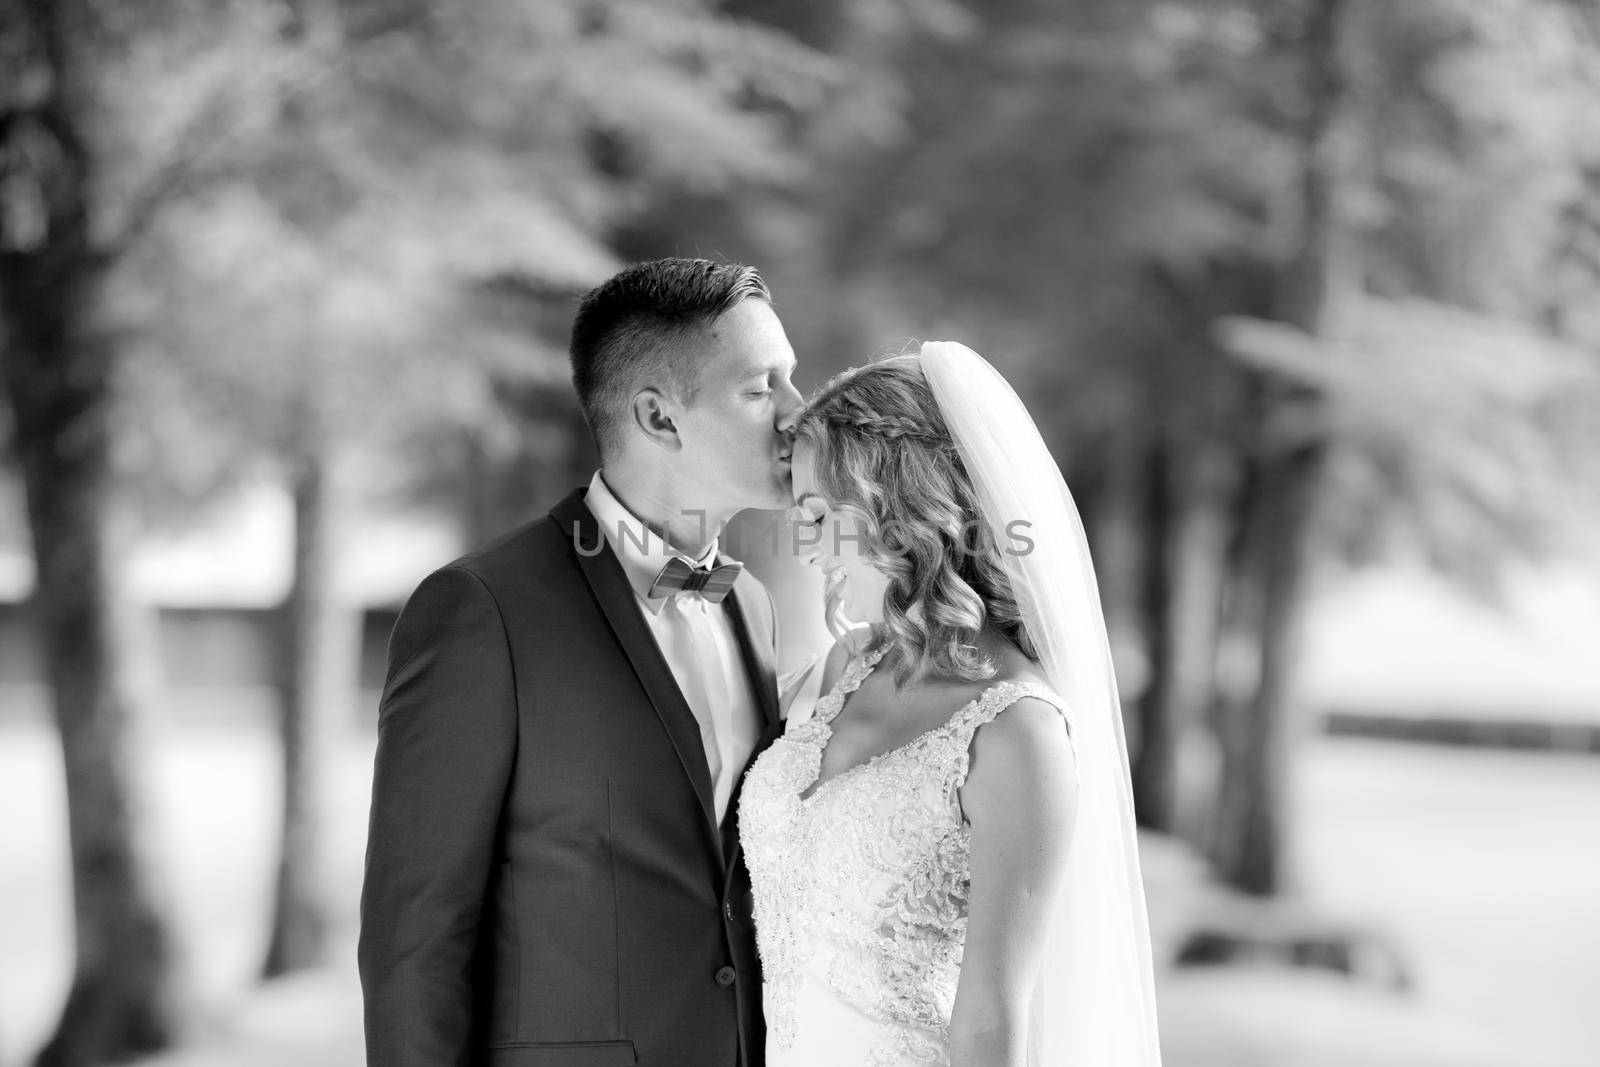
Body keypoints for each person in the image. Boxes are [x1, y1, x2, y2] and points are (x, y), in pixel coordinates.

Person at [359, 257, 804, 1067]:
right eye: (761, 387)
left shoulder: (753, 607)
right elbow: (414, 942)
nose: (799, 413)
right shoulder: (482, 612)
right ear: (659, 417)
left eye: (792, 379)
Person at [740, 342, 1163, 1066]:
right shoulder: (848, 665)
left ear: (900, 506)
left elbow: (992, 1020)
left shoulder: (1017, 730)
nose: (805, 543)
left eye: (818, 514)